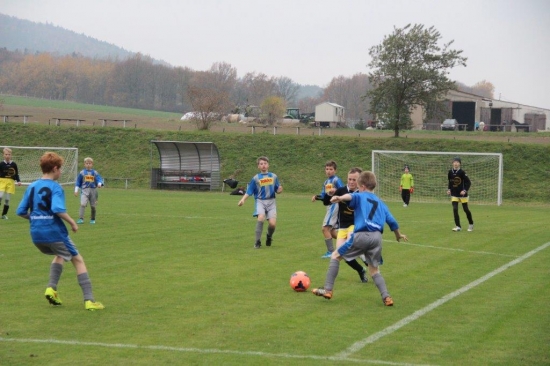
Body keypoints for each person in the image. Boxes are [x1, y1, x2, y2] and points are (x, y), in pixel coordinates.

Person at [16, 152, 104, 311]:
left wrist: (36, 218)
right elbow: (57, 209)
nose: (61, 172)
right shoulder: (56, 187)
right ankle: (90, 300)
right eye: (60, 169)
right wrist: (72, 222)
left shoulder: (32, 186)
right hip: (54, 232)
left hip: (36, 235)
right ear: (55, 168)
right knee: (78, 260)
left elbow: (21, 211)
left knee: (60, 254)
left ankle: (51, 289)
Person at [312, 171, 408, 306]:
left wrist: (339, 198)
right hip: (377, 238)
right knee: (374, 270)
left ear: (362, 186)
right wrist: (398, 235)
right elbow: (392, 222)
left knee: (335, 255)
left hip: (361, 234)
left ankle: (328, 290)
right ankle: (386, 297)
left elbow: (349, 196)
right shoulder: (380, 203)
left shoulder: (360, 196)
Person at [332, 167, 369, 283]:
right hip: (342, 226)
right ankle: (361, 270)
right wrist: (330, 196)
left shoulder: (363, 194)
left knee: (350, 243)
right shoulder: (341, 190)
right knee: (342, 253)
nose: (352, 182)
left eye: (354, 180)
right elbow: (327, 201)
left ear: (360, 181)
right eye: (350, 179)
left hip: (356, 225)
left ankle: (364, 255)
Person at [238, 156, 283, 249]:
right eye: (261, 164)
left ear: (268, 165)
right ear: (258, 166)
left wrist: (279, 190)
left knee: (272, 224)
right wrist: (243, 200)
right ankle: (257, 242)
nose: (263, 165)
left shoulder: (273, 176)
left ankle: (269, 236)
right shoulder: (255, 178)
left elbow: (277, 189)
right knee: (261, 217)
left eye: (265, 163)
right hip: (260, 201)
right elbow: (249, 191)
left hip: (271, 202)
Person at [311, 160, 344, 258]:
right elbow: (323, 195)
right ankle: (349, 245)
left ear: (335, 170)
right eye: (327, 169)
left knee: (325, 228)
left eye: (331, 169)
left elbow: (343, 191)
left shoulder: (336, 180)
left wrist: (336, 191)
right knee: (332, 231)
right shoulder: (326, 182)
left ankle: (330, 252)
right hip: (329, 206)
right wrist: (316, 197)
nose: (328, 171)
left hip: (334, 205)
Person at [74, 157, 104, 224]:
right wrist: (76, 190)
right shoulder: (82, 173)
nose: (88, 165)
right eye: (87, 163)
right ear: (84, 164)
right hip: (84, 190)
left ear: (92, 164)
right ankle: (81, 218)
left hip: (93, 191)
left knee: (93, 206)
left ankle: (92, 219)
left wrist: (99, 184)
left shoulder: (95, 173)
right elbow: (78, 182)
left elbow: (99, 179)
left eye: (89, 163)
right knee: (82, 204)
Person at [447, 157, 474, 232]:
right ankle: (458, 226)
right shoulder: (450, 172)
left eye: (457, 162)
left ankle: (471, 224)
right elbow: (450, 182)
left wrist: (464, 190)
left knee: (466, 209)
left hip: (462, 195)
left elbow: (468, 182)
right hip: (454, 194)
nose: (456, 163)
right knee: (455, 209)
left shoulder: (462, 172)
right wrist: (449, 189)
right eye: (454, 162)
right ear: (452, 163)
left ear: (460, 164)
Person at [0, 147, 22, 219]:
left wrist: (18, 181)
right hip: (2, 181)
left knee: (7, 200)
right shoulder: (1, 164)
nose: (7, 156)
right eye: (6, 154)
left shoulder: (14, 164)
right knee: (0, 196)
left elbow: (16, 174)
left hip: (10, 182)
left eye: (9, 154)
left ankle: (4, 215)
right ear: (3, 155)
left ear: (11, 155)